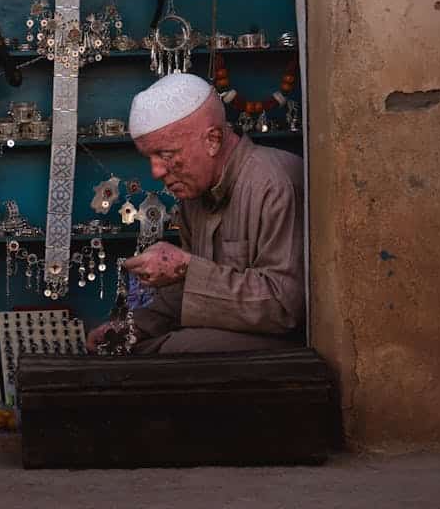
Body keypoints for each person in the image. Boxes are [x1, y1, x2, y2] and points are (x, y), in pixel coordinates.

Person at [86, 73, 305, 354]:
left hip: (281, 344)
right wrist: (134, 326)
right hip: (226, 337)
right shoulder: (194, 196)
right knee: (128, 345)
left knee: (179, 350)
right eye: (150, 158)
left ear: (212, 139)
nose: (156, 172)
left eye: (166, 155)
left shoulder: (273, 182)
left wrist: (187, 267)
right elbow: (186, 294)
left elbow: (284, 308)